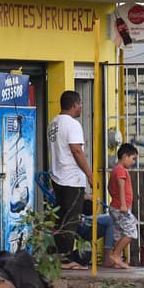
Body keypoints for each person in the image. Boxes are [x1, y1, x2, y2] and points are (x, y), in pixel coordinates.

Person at [47, 90, 93, 269]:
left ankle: (59, 256)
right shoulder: (72, 124)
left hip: (57, 177)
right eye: (80, 103)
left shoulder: (54, 123)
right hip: (71, 178)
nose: (82, 107)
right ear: (74, 104)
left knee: (61, 218)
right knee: (71, 219)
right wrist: (89, 174)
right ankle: (65, 259)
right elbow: (76, 150)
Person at [104, 143, 139, 269]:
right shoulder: (121, 170)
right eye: (133, 158)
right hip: (121, 208)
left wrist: (115, 198)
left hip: (116, 206)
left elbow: (109, 187)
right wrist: (123, 204)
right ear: (125, 156)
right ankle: (116, 255)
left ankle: (114, 260)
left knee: (119, 233)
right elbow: (121, 186)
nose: (133, 162)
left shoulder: (115, 169)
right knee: (131, 231)